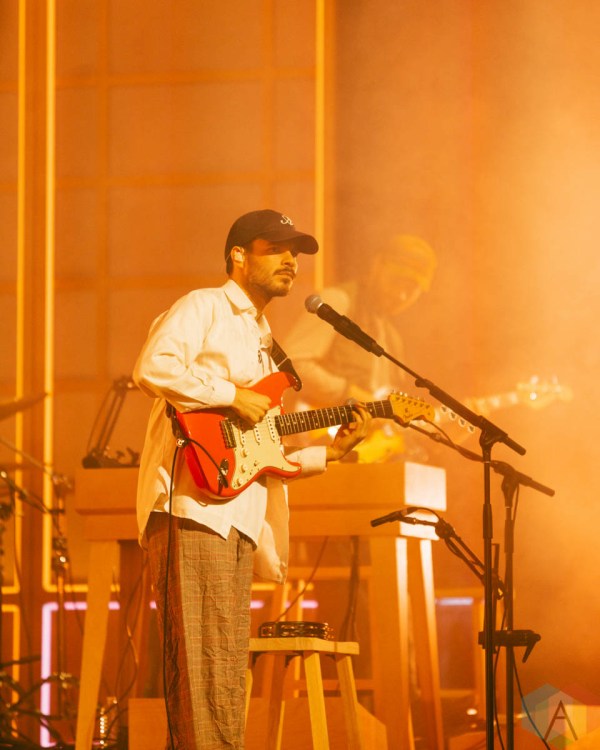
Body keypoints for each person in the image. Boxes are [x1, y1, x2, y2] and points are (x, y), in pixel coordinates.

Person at [133, 209, 370, 750]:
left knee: (222, 673)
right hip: (192, 507)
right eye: (277, 248)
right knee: (199, 672)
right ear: (238, 255)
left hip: (237, 514)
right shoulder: (203, 306)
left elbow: (258, 449)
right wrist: (231, 395)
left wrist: (329, 453)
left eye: (296, 252)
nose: (291, 261)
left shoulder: (265, 339)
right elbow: (153, 367)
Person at [283, 234, 437, 462]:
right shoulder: (337, 301)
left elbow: (386, 411)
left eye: (412, 289)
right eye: (397, 281)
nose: (401, 295)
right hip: (312, 442)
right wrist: (349, 393)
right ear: (377, 265)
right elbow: (292, 365)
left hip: (361, 456)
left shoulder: (392, 338)